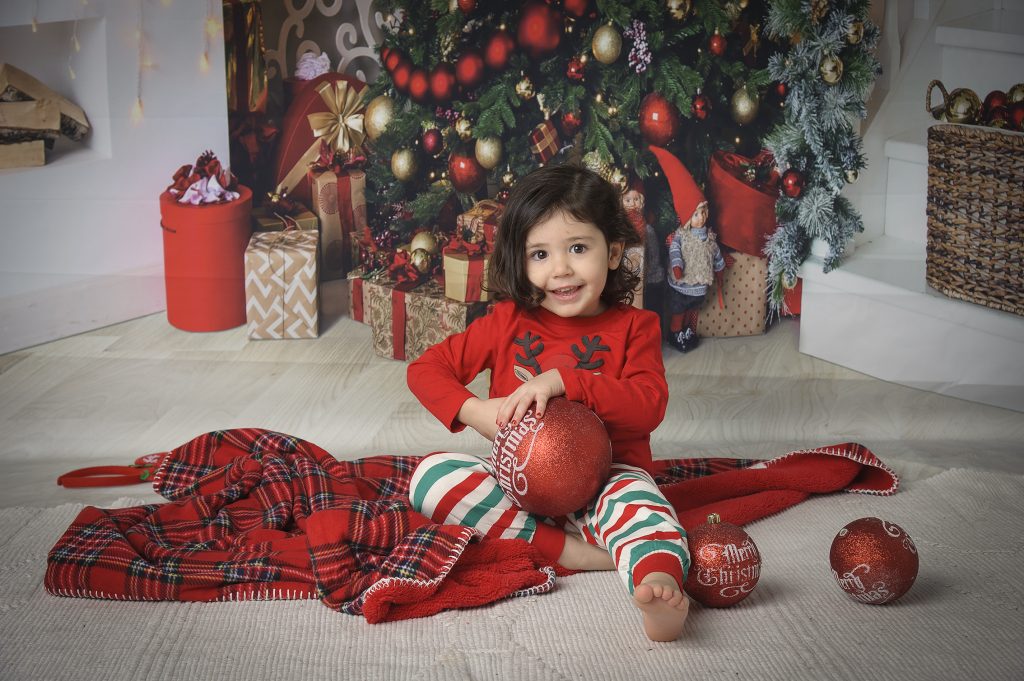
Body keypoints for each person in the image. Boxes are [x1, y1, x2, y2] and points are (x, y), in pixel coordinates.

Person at [407, 164, 691, 642]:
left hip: (607, 479)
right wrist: (478, 413)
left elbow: (649, 405)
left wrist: (567, 381)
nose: (560, 269)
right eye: (540, 253)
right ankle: (569, 551)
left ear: (614, 250)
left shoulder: (634, 327)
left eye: (578, 248)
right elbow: (424, 370)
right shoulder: (506, 322)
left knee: (645, 509)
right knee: (431, 479)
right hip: (517, 484)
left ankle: (655, 581)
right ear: (521, 261)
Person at [650, 145, 725, 353]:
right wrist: (676, 266)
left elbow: (715, 252)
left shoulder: (709, 236)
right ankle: (676, 333)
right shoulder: (681, 236)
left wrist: (720, 267)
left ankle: (687, 332)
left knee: (693, 307)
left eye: (702, 212)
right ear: (686, 218)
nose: (700, 218)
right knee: (679, 310)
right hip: (681, 283)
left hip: (699, 285)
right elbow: (675, 251)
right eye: (695, 214)